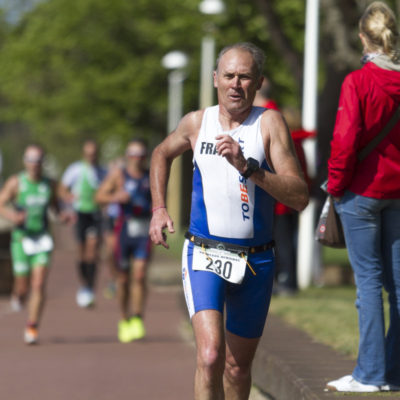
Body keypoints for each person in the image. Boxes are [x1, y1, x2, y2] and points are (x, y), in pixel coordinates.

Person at [150, 42, 308, 399]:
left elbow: (299, 196)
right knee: (209, 356)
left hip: (257, 260)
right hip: (205, 254)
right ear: (215, 79)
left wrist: (249, 168)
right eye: (229, 76)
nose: (236, 84)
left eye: (245, 77)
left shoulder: (268, 123)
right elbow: (161, 153)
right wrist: (159, 207)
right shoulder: (196, 122)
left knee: (237, 369)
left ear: (258, 82)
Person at [326, 2, 400, 393]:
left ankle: (370, 375)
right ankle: (394, 372)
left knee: (368, 284)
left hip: (362, 192)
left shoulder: (358, 82)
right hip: (398, 194)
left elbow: (344, 141)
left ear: (362, 37)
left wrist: (335, 186)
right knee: (399, 286)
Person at [0, 145, 67, 344]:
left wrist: (63, 216)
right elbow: (0, 204)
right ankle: (17, 296)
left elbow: (56, 207)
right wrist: (13, 215)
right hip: (21, 239)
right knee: (22, 288)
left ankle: (32, 325)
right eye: (30, 159)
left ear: (42, 163)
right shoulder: (16, 183)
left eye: (38, 160)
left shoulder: (49, 184)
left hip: (42, 239)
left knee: (38, 284)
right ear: (24, 161)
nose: (34, 164)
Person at [96, 139, 152, 342]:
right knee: (123, 279)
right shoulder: (118, 175)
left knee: (139, 275)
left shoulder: (150, 175)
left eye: (141, 155)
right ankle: (123, 317)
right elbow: (99, 195)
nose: (137, 159)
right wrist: (115, 197)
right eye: (133, 155)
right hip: (124, 230)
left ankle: (137, 317)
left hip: (144, 229)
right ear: (128, 156)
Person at [58, 139, 107, 308]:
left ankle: (89, 287)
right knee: (81, 253)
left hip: (95, 214)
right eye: (88, 154)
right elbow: (62, 189)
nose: (91, 157)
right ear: (83, 154)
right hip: (79, 214)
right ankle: (83, 284)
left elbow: (109, 190)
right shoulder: (75, 169)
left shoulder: (102, 171)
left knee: (92, 251)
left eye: (94, 154)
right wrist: (68, 197)